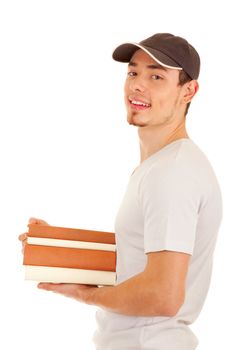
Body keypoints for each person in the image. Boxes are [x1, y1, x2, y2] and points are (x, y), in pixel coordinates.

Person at [19, 33, 223, 349]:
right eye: (133, 72)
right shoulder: (163, 166)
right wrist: (60, 248)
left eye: (156, 76)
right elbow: (138, 260)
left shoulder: (173, 171)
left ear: (188, 91)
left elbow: (162, 296)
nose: (138, 85)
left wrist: (86, 295)